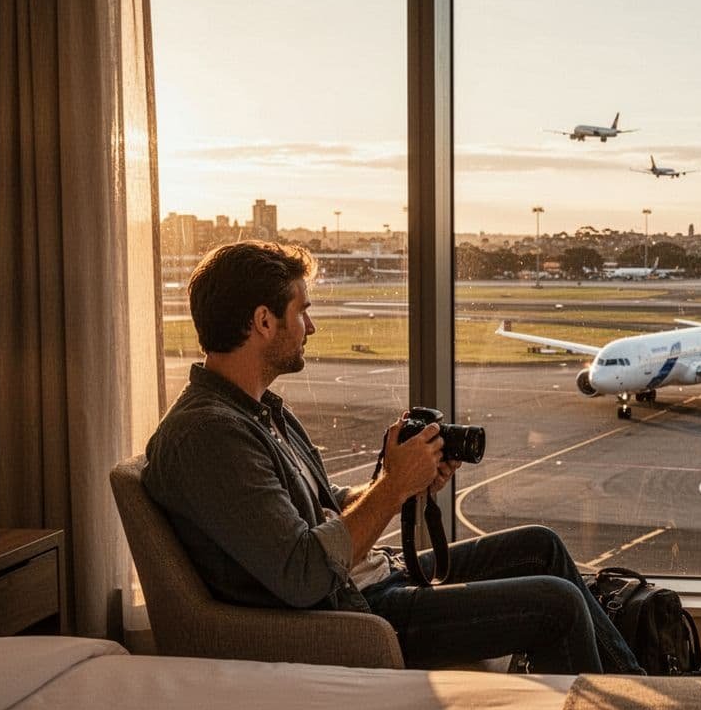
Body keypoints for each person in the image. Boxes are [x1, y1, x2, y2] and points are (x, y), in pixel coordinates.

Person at [144, 240, 642, 675]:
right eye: (303, 311)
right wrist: (392, 487)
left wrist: (401, 477)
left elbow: (328, 509)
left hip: (371, 577)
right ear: (263, 321)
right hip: (351, 612)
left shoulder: (258, 412)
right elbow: (302, 575)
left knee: (542, 547)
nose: (312, 326)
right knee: (556, 606)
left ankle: (646, 696)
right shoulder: (209, 435)